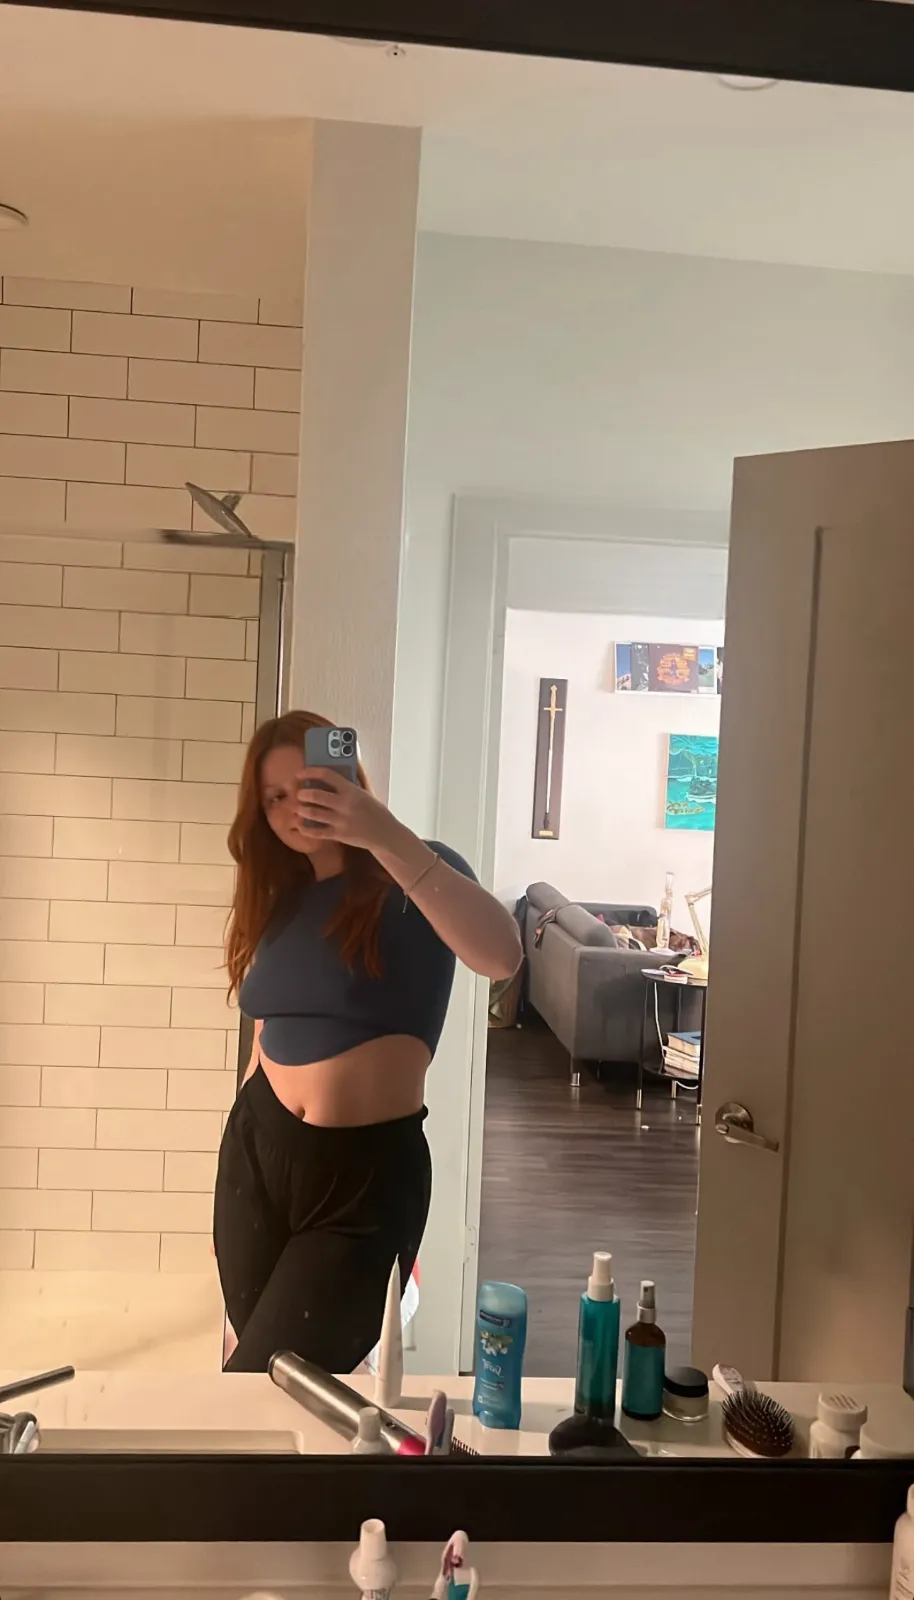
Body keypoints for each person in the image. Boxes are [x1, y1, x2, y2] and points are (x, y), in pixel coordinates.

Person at [214, 709, 522, 1373]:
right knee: (255, 1381)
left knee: (268, 1382)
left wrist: (381, 831)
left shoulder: (418, 875)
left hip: (362, 1179)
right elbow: (264, 1032)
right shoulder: (282, 899)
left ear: (346, 778)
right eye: (273, 798)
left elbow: (502, 955)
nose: (292, 810)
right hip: (255, 1156)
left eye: (307, 787)